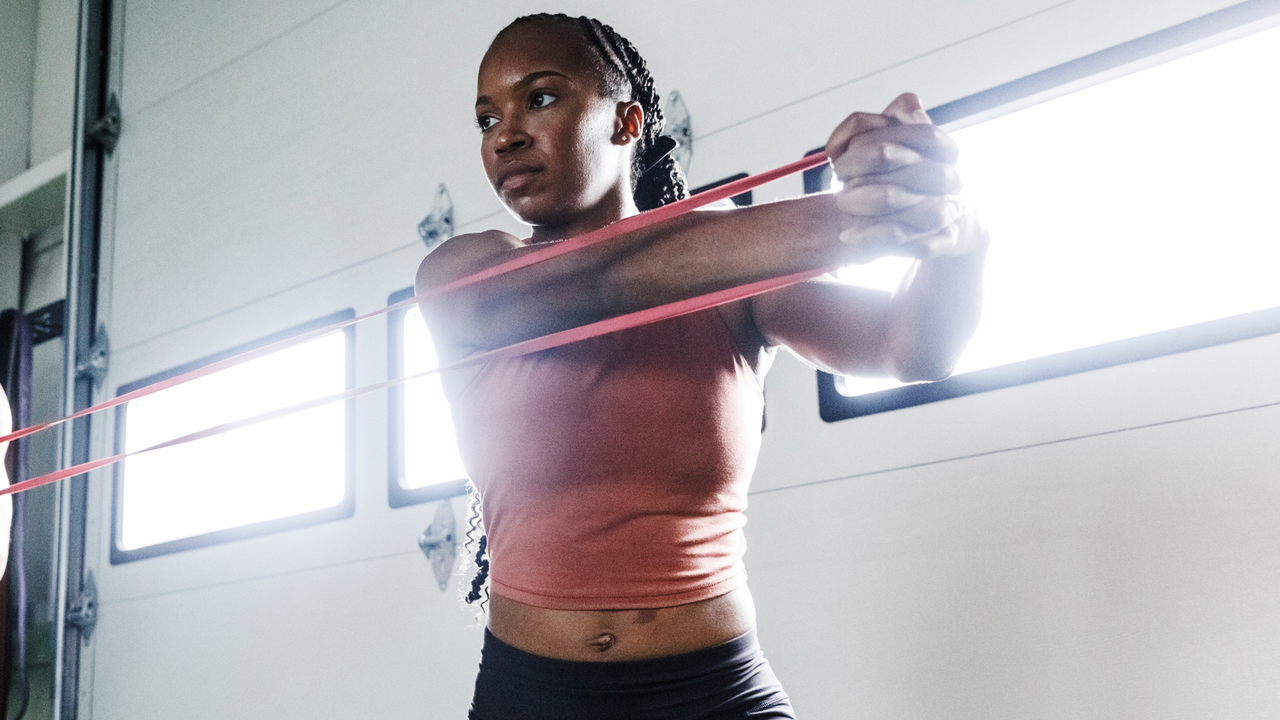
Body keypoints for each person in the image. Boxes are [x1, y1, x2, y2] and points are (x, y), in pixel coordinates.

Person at [415, 13, 989, 719]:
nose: (505, 133)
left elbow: (912, 348)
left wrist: (958, 237)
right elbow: (602, 286)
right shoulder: (463, 277)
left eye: (539, 98)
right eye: (485, 117)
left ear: (627, 122)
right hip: (533, 694)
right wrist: (865, 217)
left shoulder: (730, 268)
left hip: (715, 693)